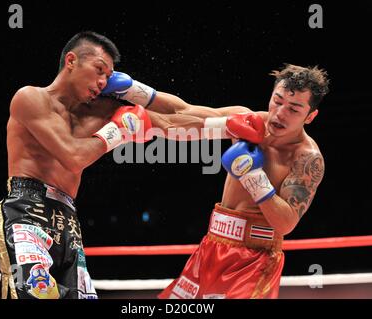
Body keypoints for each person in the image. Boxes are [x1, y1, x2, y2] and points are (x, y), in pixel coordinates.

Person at [0, 31, 258, 299]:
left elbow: (175, 117)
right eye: (98, 70)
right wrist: (117, 130)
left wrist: (243, 121)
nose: (102, 82)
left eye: (108, 76)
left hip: (68, 218)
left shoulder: (102, 111)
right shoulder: (30, 99)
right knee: (35, 295)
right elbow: (73, 157)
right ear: (71, 61)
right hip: (26, 210)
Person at [104, 64, 329, 298]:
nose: (280, 113)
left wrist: (253, 176)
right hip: (212, 246)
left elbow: (286, 223)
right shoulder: (248, 122)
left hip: (253, 262)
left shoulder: (307, 158)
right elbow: (185, 113)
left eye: (294, 109)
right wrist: (132, 90)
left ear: (310, 116)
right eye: (278, 100)